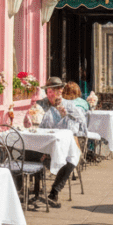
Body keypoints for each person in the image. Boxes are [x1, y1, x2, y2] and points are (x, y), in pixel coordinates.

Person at [31, 76, 81, 207]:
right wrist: (30, 118)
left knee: (71, 160)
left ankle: (54, 191)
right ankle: (27, 191)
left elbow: (75, 129)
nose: (52, 95)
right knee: (25, 153)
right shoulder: (40, 104)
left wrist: (65, 116)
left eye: (56, 91)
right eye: (49, 92)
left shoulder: (69, 105)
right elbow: (33, 124)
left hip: (62, 148)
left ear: (61, 91)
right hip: (41, 146)